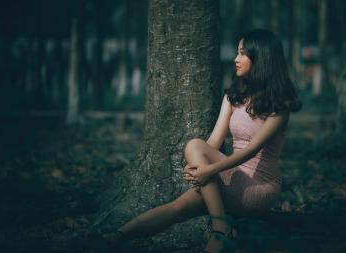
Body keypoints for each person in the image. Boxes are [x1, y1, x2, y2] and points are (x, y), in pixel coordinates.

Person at [100, 29, 301, 253]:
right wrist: (197, 166)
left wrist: (209, 169)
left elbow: (252, 150)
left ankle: (220, 229)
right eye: (237, 52)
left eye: (242, 53)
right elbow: (214, 141)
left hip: (259, 188)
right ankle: (116, 237)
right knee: (178, 207)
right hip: (231, 176)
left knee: (194, 145)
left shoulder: (279, 105)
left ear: (261, 58)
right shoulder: (233, 96)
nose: (236, 59)